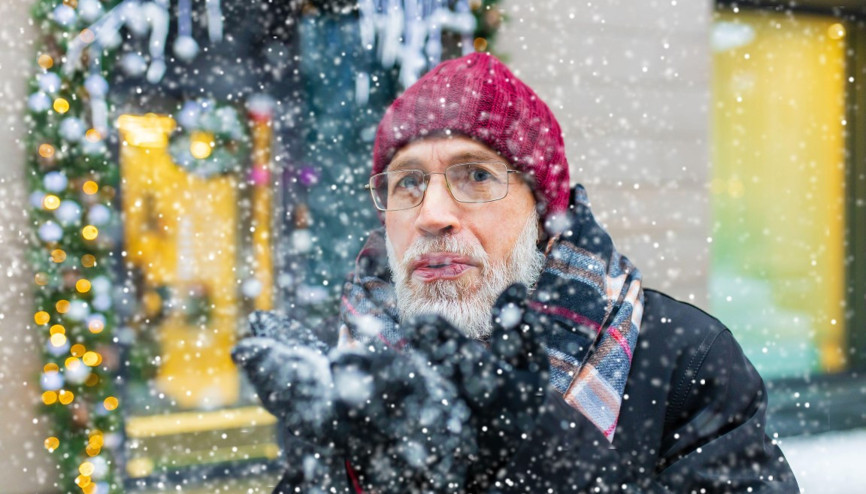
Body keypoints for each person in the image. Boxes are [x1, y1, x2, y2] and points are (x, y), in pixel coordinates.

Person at [233, 52, 799, 493]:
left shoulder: (681, 358)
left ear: (545, 215)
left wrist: (542, 454)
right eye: (407, 183)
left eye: (476, 176)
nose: (432, 215)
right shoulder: (354, 371)